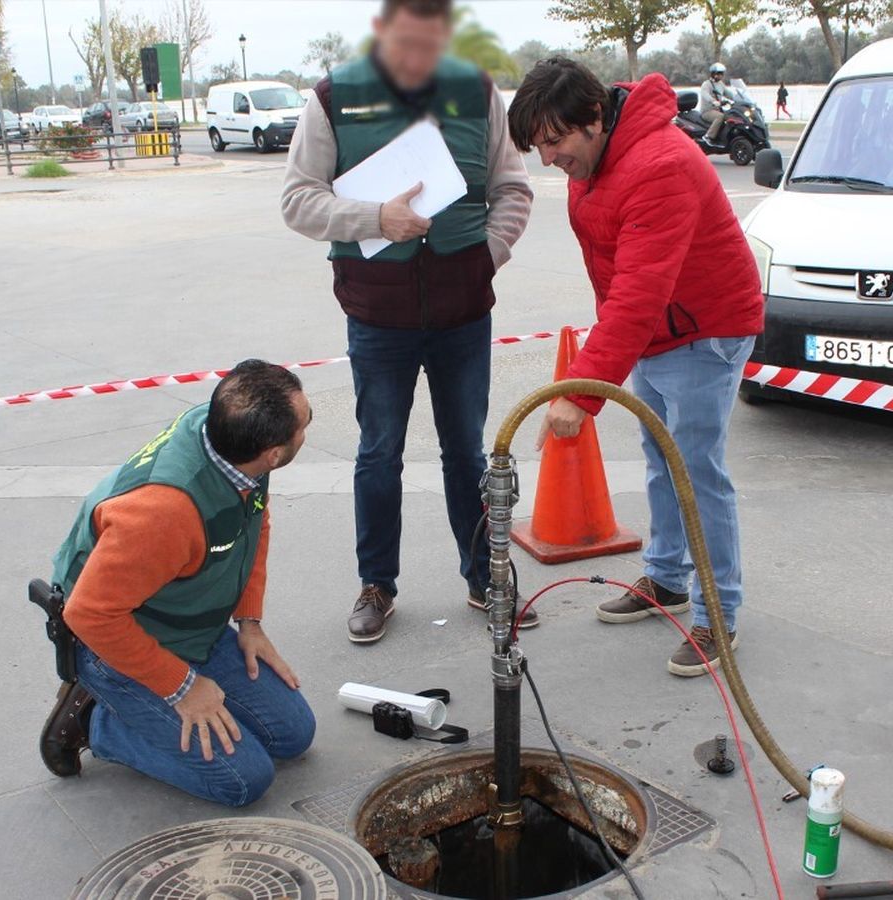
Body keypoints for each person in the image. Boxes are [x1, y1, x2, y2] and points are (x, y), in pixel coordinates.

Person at [280, 0, 534, 645]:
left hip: (463, 312)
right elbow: (298, 200)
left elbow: (512, 189)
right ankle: (377, 585)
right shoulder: (333, 98)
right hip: (379, 313)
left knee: (466, 452)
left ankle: (486, 577)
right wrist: (374, 219)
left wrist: (487, 256)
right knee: (379, 453)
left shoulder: (477, 93)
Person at [508, 58, 764, 677]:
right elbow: (619, 280)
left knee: (696, 472)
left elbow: (640, 291)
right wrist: (610, 357)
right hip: (656, 333)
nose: (548, 160)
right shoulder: (594, 159)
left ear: (594, 116)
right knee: (661, 460)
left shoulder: (660, 164)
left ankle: (717, 616)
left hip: (704, 331)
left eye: (554, 142)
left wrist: (583, 392)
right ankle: (669, 579)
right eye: (538, 147)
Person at [38, 360, 316, 807]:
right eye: (306, 424)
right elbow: (88, 614)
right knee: (245, 780)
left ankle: (153, 704)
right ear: (275, 453)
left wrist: (250, 621)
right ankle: (95, 722)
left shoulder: (227, 438)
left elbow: (253, 520)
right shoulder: (163, 513)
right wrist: (181, 686)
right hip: (112, 640)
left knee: (293, 735)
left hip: (184, 622)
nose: (307, 430)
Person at [700, 63, 733, 145]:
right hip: (707, 111)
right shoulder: (706, 84)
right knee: (720, 116)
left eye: (722, 73)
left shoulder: (721, 84)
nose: (721, 75)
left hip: (717, 109)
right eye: (719, 73)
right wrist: (713, 101)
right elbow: (705, 95)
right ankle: (708, 136)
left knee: (731, 115)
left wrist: (739, 99)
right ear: (713, 74)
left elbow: (729, 94)